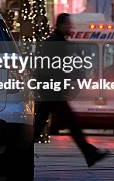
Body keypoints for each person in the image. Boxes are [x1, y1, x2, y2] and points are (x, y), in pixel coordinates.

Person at [33, 13, 109, 167]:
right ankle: (90, 154)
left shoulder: (56, 41)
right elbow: (53, 68)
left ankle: (90, 154)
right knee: (67, 124)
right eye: (68, 24)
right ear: (60, 25)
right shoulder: (56, 43)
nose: (70, 27)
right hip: (53, 93)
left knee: (40, 126)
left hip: (51, 92)